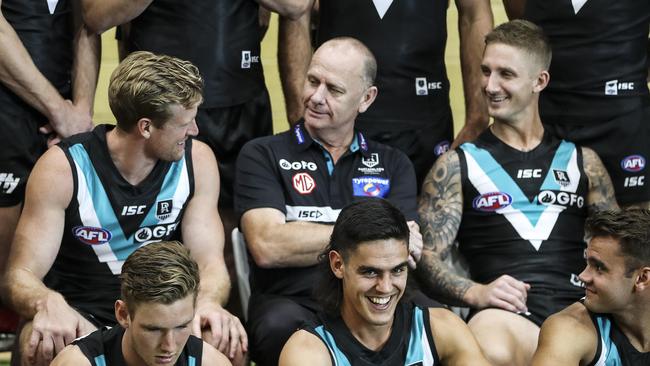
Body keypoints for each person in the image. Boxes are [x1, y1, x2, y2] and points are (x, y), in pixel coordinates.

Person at [1, 51, 242, 366]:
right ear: (145, 127)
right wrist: (47, 301)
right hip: (80, 313)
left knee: (224, 338)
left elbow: (210, 264)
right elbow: (19, 275)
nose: (194, 130)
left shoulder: (198, 161)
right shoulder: (63, 168)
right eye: (185, 122)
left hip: (160, 314)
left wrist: (208, 302)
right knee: (44, 338)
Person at [80, 0, 311, 324]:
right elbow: (95, 17)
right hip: (158, 106)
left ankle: (220, 325)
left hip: (238, 95)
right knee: (152, 225)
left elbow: (296, 5)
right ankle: (147, 327)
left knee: (232, 234)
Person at [416, 20, 619, 366]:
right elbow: (425, 256)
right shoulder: (456, 164)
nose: (489, 85)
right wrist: (478, 292)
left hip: (580, 315)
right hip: (506, 318)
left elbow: (621, 251)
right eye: (485, 71)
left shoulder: (584, 162)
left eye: (505, 74)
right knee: (488, 341)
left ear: (539, 81)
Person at [234, 37, 423, 365]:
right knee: (279, 327)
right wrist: (365, 234)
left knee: (434, 322)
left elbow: (402, 249)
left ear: (366, 99)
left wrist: (301, 234)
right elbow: (267, 246)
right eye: (312, 81)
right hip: (294, 302)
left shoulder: (394, 163)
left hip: (376, 298)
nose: (316, 97)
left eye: (333, 89)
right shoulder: (262, 154)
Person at [278, 0, 493, 190]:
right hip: (341, 120)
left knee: (423, 229)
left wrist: (478, 117)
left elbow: (475, 14)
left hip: (425, 123)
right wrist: (299, 112)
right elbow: (296, 12)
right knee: (339, 227)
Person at [279, 199, 490, 365]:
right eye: (370, 272)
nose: (386, 287)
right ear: (337, 265)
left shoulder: (441, 329)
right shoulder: (308, 352)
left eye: (398, 270)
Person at [0, 0, 100, 341]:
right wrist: (58, 109)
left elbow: (89, 25)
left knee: (56, 212)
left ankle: (39, 313)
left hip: (64, 111)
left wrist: (81, 112)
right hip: (12, 107)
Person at [503, 0, 650, 208]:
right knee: (543, 231)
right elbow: (523, 19)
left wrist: (629, 68)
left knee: (632, 231)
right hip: (545, 118)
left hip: (623, 122)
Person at [50, 241, 231, 366]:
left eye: (181, 327)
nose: (169, 346)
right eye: (154, 329)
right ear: (123, 314)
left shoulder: (211, 363)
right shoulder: (77, 362)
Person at [530, 209, 650, 366]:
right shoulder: (569, 329)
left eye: (599, 267)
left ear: (642, 278)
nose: (582, 276)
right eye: (588, 263)